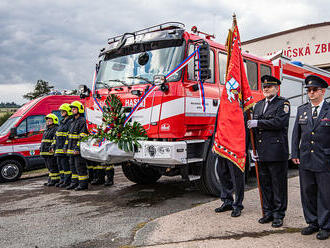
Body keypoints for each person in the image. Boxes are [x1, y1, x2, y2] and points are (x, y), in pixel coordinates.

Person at [247, 75, 290, 228]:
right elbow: (254, 132)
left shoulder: (283, 103)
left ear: (276, 88)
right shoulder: (258, 105)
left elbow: (279, 122)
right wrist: (253, 149)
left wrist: (258, 122)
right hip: (262, 152)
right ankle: (268, 212)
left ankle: (279, 214)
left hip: (277, 151)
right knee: (264, 184)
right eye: (264, 87)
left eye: (269, 87)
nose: (266, 89)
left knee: (278, 185)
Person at [291, 75, 330, 240]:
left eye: (314, 90)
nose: (311, 93)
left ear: (323, 91)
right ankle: (312, 222)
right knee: (307, 192)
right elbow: (296, 134)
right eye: (309, 90)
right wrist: (294, 153)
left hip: (325, 159)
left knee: (325, 194)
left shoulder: (329, 109)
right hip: (306, 158)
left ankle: (325, 226)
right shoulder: (302, 109)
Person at [64, 101, 89, 191]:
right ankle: (74, 183)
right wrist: (65, 147)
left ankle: (83, 184)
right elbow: (68, 136)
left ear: (79, 110)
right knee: (73, 168)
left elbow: (82, 136)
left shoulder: (82, 121)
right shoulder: (72, 121)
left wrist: (78, 148)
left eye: (74, 109)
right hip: (71, 149)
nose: (72, 110)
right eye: (72, 109)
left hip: (78, 150)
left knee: (80, 167)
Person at [51, 103, 73, 188]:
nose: (61, 112)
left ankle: (67, 181)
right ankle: (62, 180)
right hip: (58, 149)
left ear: (68, 111)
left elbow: (68, 136)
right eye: (61, 111)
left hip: (64, 149)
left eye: (63, 111)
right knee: (60, 166)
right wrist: (53, 146)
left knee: (66, 166)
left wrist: (66, 147)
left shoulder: (70, 122)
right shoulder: (62, 122)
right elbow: (56, 136)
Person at [40, 114, 59, 186]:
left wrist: (52, 147)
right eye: (47, 121)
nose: (48, 122)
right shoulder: (46, 130)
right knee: (49, 167)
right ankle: (50, 180)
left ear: (54, 121)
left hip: (50, 152)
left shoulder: (55, 129)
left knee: (53, 167)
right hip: (45, 152)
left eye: (50, 121)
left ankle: (54, 181)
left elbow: (55, 140)